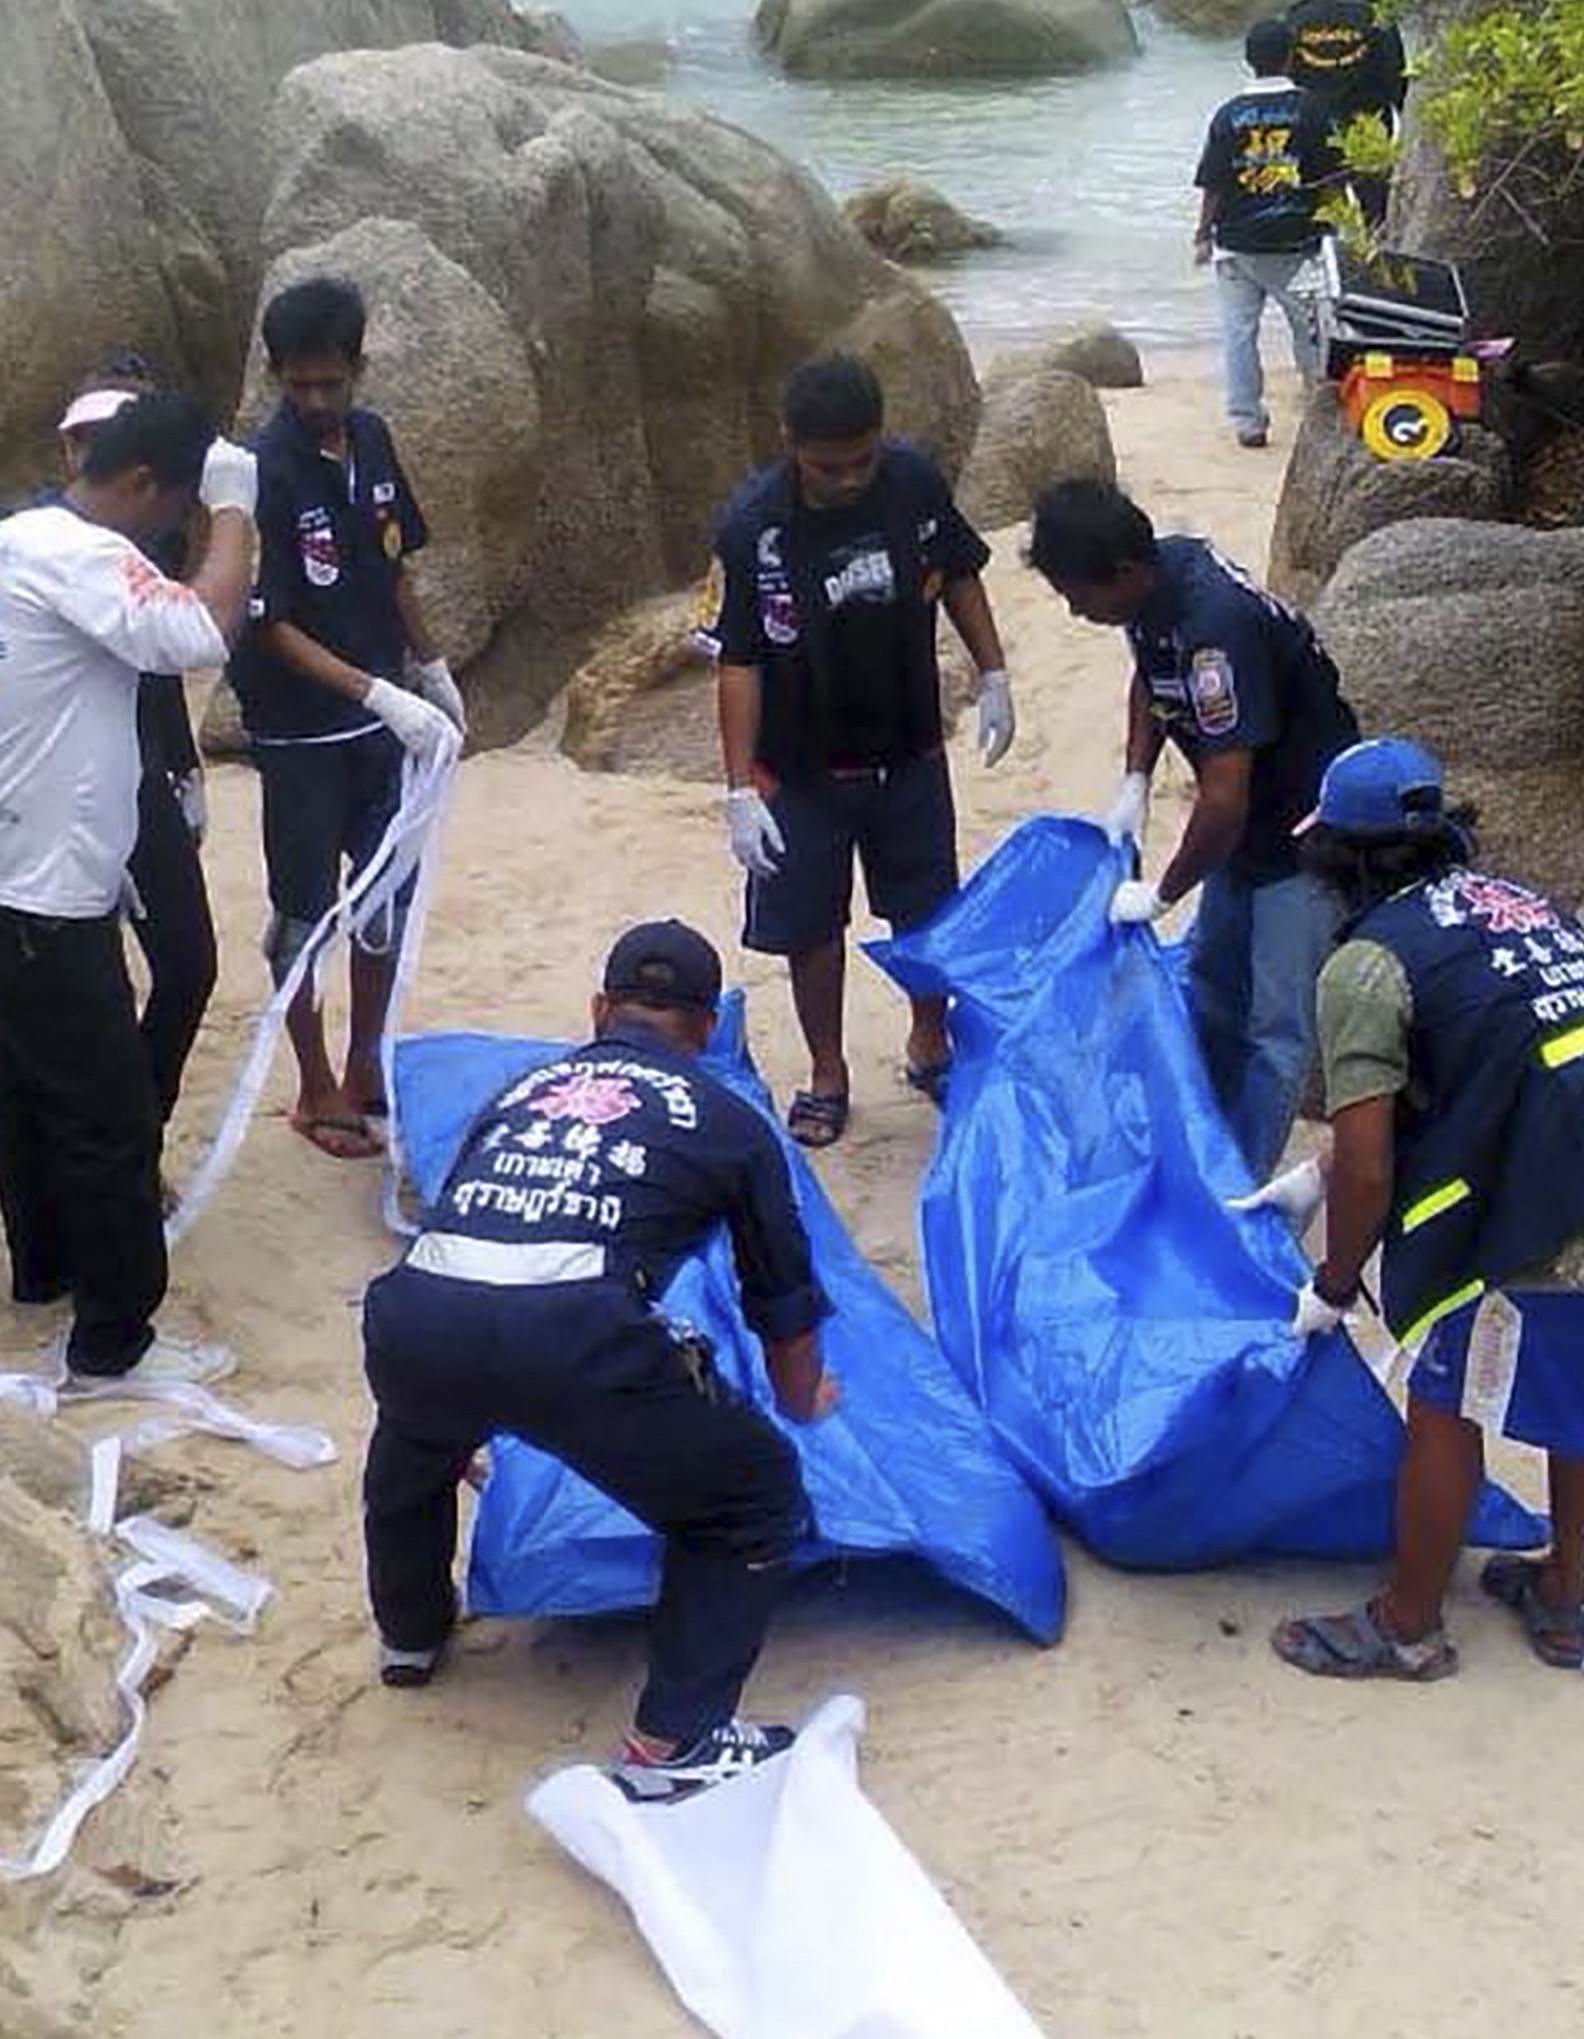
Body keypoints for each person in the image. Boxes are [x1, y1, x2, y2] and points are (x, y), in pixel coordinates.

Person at [1243, 738, 1584, 1681]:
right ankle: (1561, 1597)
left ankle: (1407, 1624)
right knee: (1583, 1396)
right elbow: (1500, 1055)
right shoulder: (1519, 903)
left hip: (1573, 1205)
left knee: (1443, 1400)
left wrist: (1335, 1281)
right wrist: (1322, 1166)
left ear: (1337, 860)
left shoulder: (1366, 964)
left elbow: (1373, 1164)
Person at [357, 918, 837, 1801]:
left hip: (417, 1318)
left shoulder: (520, 1089)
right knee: (753, 1494)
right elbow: (783, 1305)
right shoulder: (728, 1121)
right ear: (705, 1030)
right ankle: (677, 1739)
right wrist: (804, 1403)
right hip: (575, 1336)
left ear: (598, 1010)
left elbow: (465, 1218)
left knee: (417, 1438)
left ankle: (411, 1631)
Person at [0, 391, 257, 1380]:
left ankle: (44, 1272)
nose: (169, 538)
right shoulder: (79, 551)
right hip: (40, 884)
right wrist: (236, 509)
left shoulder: (6, 540)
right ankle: (115, 1344)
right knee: (109, 1117)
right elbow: (202, 631)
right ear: (139, 484)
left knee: (30, 1083)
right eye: (170, 517)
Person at [713, 352, 1014, 1147]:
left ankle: (930, 1038)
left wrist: (994, 672)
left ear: (881, 439)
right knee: (811, 927)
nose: (848, 479)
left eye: (861, 460)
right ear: (790, 443)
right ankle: (827, 1071)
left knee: (925, 908)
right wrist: (738, 786)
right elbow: (737, 657)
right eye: (828, 466)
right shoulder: (754, 526)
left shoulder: (911, 482)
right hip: (800, 763)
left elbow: (959, 574)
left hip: (908, 745)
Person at [1025, 476, 1361, 1178]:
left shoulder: (1217, 632)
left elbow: (1224, 797)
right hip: (1241, 837)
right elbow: (1150, 677)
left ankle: (1238, 1181)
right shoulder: (1156, 581)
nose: (1075, 610)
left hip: (1300, 839)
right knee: (1210, 987)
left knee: (1275, 1029)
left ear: (1121, 573)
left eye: (1078, 595)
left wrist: (1165, 892)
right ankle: (1197, 1129)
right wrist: (1135, 778)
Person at [0, 361, 216, 1127]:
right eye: (80, 439)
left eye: (103, 438)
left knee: (186, 963)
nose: (89, 455)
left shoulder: (147, 535)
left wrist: (183, 769)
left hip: (139, 781)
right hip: (56, 807)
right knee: (63, 1019)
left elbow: (154, 674)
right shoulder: (33, 541)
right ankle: (120, 1142)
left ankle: (137, 1121)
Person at [230, 278, 462, 1164]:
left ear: (359, 369)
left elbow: (397, 565)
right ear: (277, 377)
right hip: (301, 731)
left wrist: (431, 669)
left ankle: (368, 1062)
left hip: (381, 725)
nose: (318, 401)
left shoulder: (371, 441)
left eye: (332, 382)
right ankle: (314, 1081)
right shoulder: (263, 475)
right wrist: (375, 692)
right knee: (302, 914)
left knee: (381, 902)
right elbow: (271, 621)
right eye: (299, 386)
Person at [1191, 15, 1339, 449]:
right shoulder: (1312, 109)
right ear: (1292, 56)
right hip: (1298, 241)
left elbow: (1213, 184)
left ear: (1248, 61)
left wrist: (1202, 234)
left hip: (1237, 245)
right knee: (1310, 329)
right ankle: (1318, 409)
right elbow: (1331, 177)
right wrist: (1343, 227)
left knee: (1238, 334)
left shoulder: (1228, 115)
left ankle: (1248, 422)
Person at [1283, 0, 1409, 230]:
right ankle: (1368, 271)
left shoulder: (1298, 15)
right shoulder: (1376, 14)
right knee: (1375, 220)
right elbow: (1396, 78)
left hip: (1313, 130)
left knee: (1321, 221)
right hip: (1368, 130)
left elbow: (1287, 74)